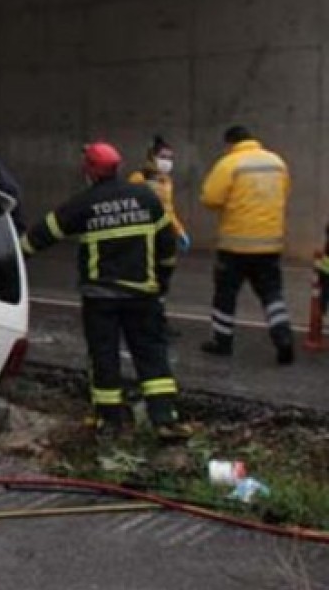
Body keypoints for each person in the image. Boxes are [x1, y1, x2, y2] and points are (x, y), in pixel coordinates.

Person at [20, 142, 189, 441]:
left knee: (104, 357)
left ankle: (109, 421)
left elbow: (42, 234)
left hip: (101, 298)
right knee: (152, 354)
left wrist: (12, 255)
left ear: (89, 171)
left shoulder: (84, 203)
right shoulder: (145, 197)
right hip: (143, 295)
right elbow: (167, 246)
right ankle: (165, 419)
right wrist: (162, 280)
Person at [200, 125, 293, 365]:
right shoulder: (277, 162)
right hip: (269, 245)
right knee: (272, 294)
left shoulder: (230, 163)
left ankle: (222, 342)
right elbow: (285, 192)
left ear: (231, 143)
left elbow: (210, 198)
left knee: (225, 294)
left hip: (235, 246)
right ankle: (283, 338)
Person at [129, 136, 191, 337]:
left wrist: (179, 232)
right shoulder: (139, 179)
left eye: (170, 158)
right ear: (152, 157)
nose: (167, 162)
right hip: (145, 239)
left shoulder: (166, 181)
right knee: (148, 282)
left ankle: (157, 320)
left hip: (164, 238)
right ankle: (145, 322)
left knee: (162, 283)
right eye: (163, 157)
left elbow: (168, 211)